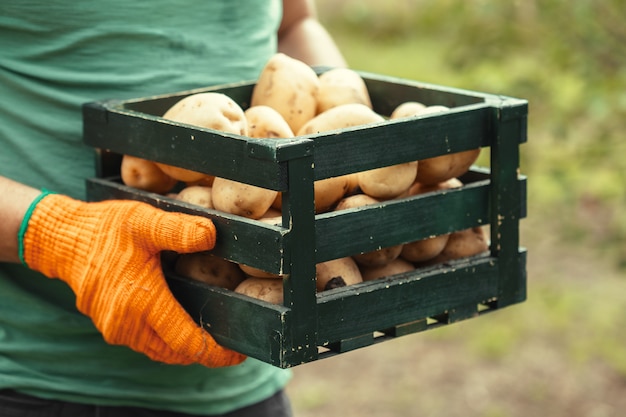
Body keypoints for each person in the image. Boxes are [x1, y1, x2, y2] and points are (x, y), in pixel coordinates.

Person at [0, 0, 346, 415]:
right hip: (41, 384)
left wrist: (356, 146)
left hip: (252, 383)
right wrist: (53, 233)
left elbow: (294, 24)